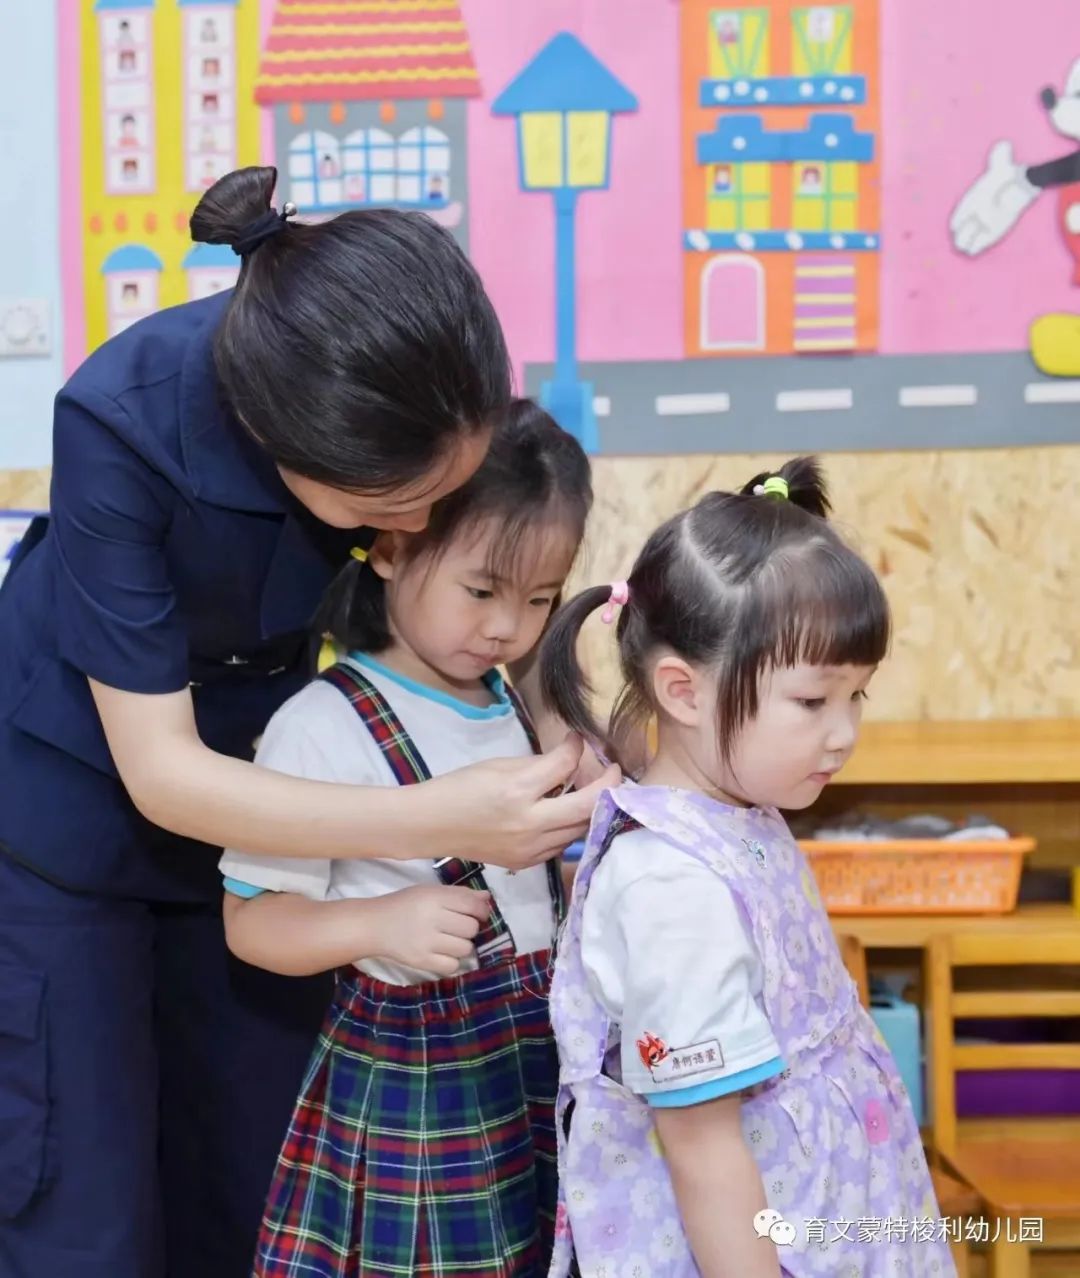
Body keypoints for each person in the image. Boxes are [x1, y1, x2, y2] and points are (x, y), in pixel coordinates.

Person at [0, 166, 613, 1278]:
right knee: (79, 1190)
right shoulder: (121, 424)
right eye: (393, 513)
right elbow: (161, 773)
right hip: (78, 805)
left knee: (253, 1165)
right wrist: (440, 813)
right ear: (298, 449)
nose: (419, 531)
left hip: (266, 800)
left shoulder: (407, 394)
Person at [539, 459, 955, 1278]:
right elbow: (702, 1152)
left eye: (857, 697)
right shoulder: (671, 889)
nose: (843, 734)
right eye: (813, 701)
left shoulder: (742, 811)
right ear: (684, 693)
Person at [221, 400, 591, 1276]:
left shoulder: (511, 700)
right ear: (390, 547)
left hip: (537, 1074)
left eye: (538, 598)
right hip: (415, 1104)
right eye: (482, 591)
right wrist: (377, 924)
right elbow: (251, 923)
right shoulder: (323, 726)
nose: (508, 626)